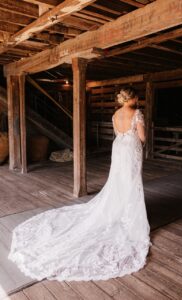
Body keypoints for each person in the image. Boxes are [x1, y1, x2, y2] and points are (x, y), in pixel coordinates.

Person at [8, 87, 152, 282]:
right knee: (131, 180)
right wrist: (142, 135)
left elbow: (119, 133)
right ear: (132, 98)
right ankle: (127, 213)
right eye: (137, 96)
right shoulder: (137, 113)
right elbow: (142, 137)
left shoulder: (116, 114)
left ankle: (118, 209)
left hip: (119, 148)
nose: (138, 99)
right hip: (130, 149)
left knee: (117, 179)